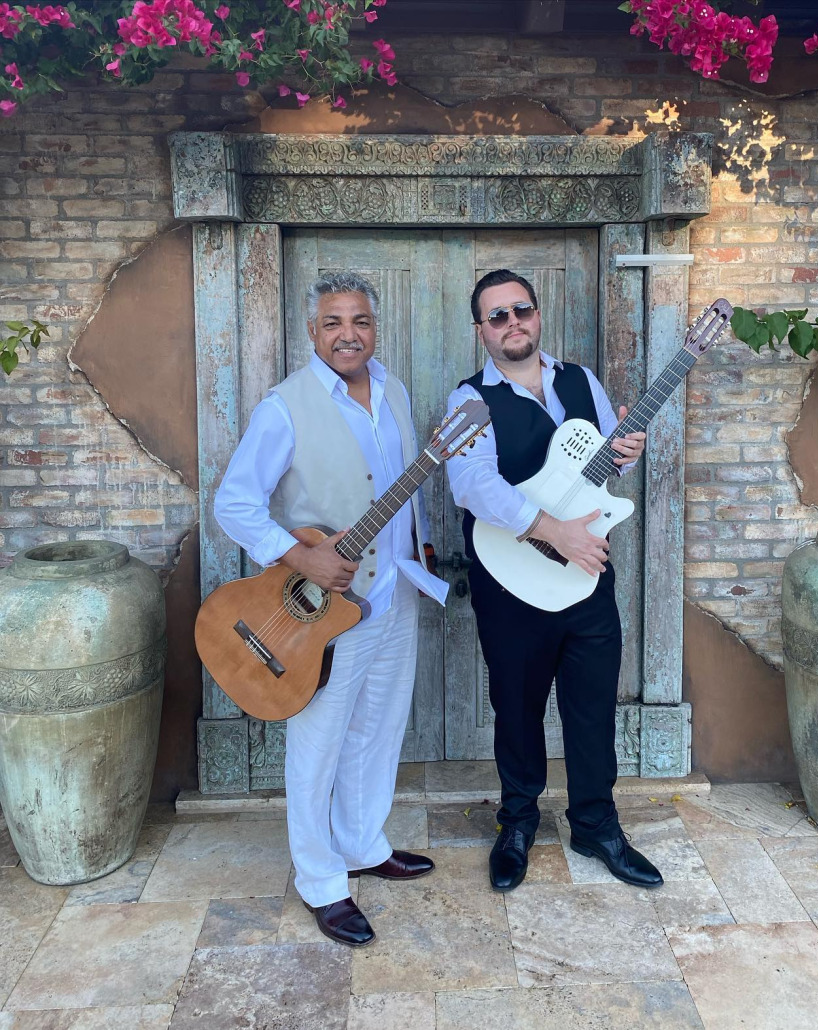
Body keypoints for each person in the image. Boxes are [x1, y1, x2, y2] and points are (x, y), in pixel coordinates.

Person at [214, 271, 447, 947]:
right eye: (334, 323)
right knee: (318, 745)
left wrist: (423, 544)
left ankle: (362, 845)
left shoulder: (395, 391)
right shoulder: (285, 407)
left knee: (379, 728)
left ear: (375, 328)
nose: (349, 335)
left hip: (395, 592)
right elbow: (234, 503)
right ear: (313, 332)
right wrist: (300, 555)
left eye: (361, 322)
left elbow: (400, 486)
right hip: (322, 609)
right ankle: (320, 881)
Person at [446, 268, 663, 893]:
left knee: (591, 707)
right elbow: (471, 483)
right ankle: (517, 824)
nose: (512, 323)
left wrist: (625, 452)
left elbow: (601, 470)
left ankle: (596, 824)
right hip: (510, 581)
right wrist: (550, 530)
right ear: (481, 331)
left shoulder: (581, 381)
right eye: (497, 315)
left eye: (522, 309)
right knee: (517, 709)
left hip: (587, 574)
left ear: (537, 315)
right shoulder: (469, 401)